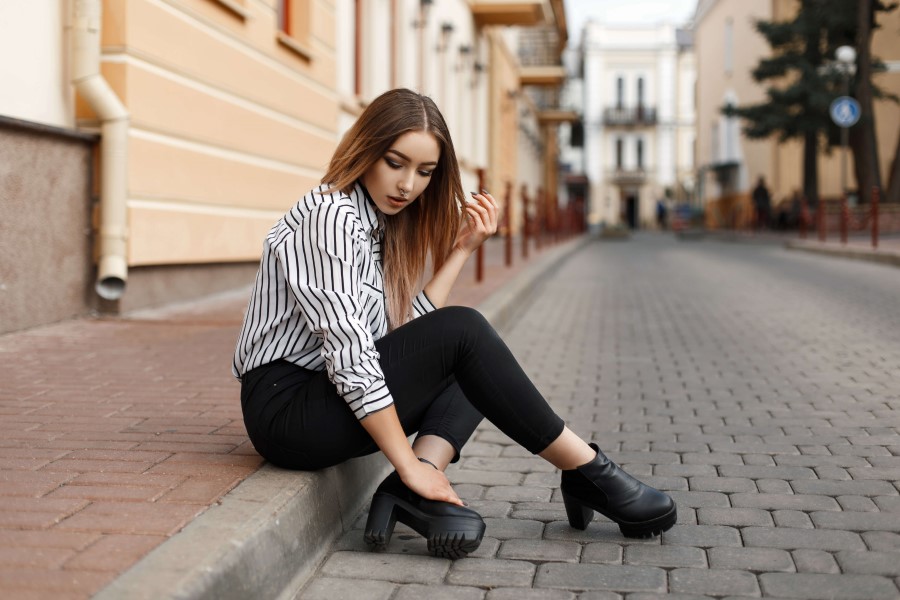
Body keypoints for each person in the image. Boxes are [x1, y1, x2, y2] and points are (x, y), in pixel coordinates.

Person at [232, 88, 676, 559]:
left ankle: (414, 494)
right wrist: (405, 463)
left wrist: (462, 249)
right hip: (288, 412)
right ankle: (586, 469)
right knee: (465, 332)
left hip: (320, 399)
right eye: (395, 162)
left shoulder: (373, 224)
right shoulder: (330, 218)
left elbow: (398, 340)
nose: (408, 185)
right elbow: (352, 355)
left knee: (473, 364)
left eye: (425, 172)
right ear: (365, 149)